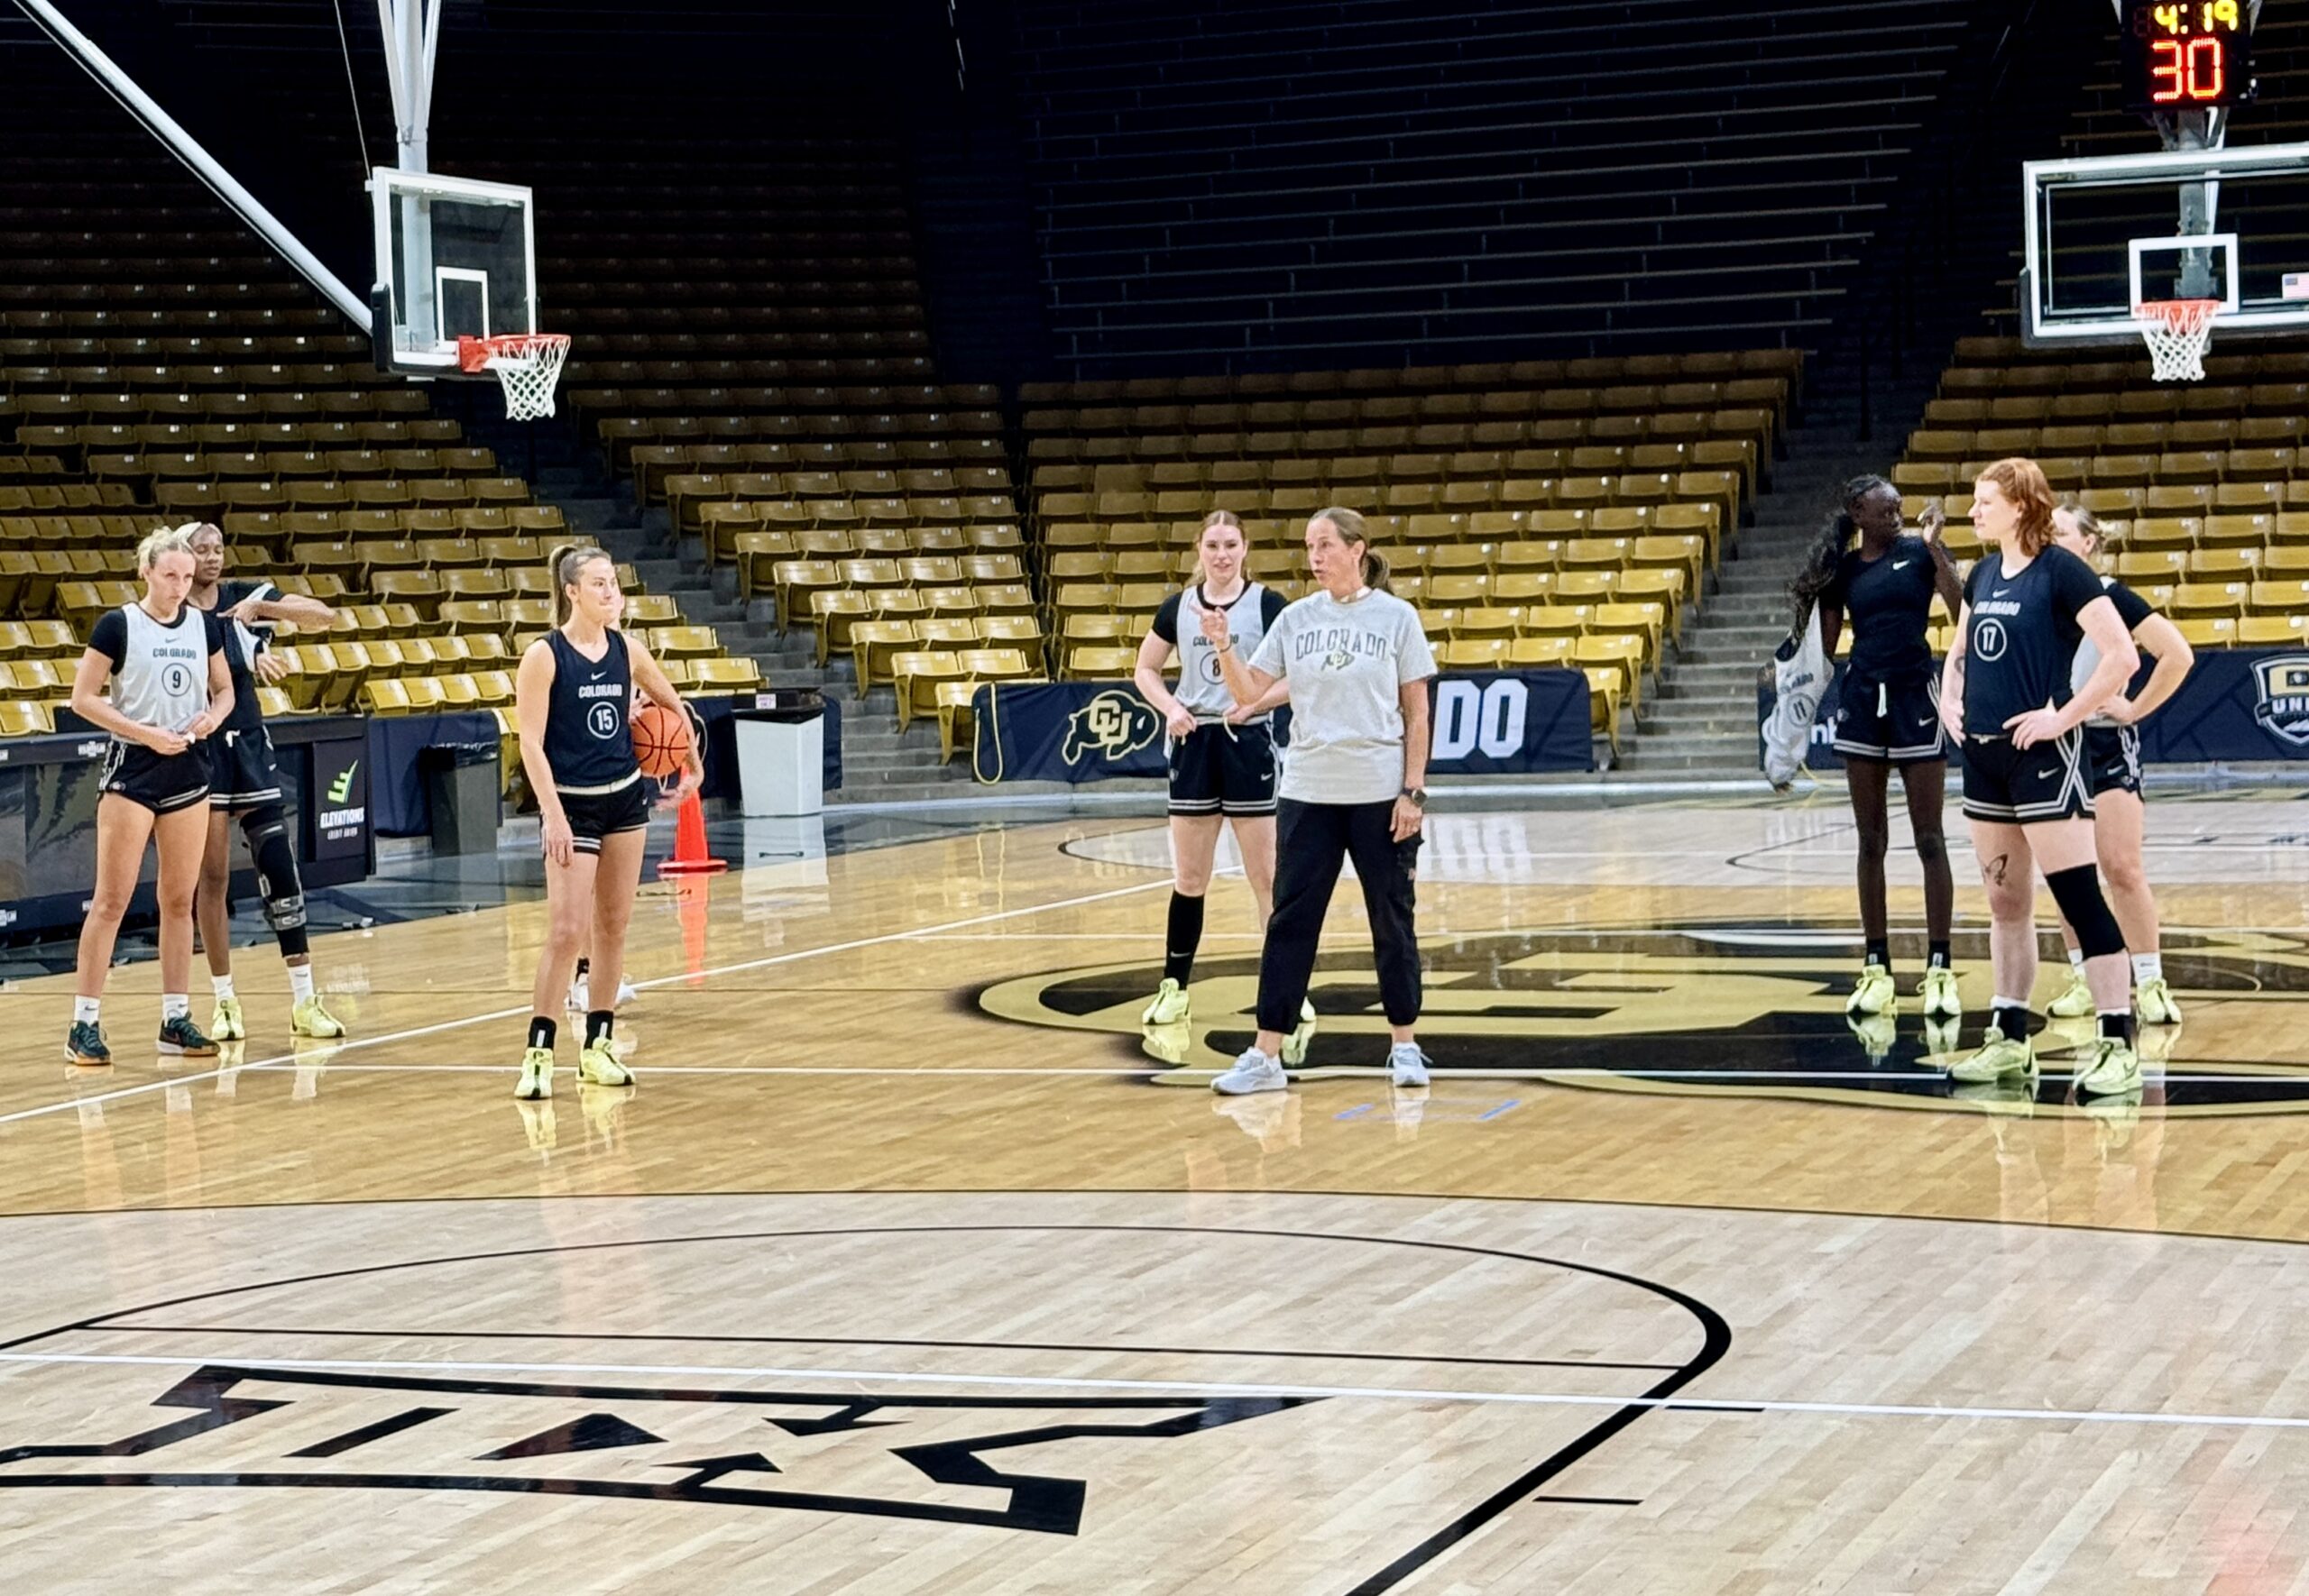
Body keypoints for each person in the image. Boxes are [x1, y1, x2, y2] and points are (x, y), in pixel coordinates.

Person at [1201, 507, 1435, 1096]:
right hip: (1308, 791)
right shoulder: (1298, 618)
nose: (1315, 556)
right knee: (1290, 922)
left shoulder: (1396, 618)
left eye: (1326, 545)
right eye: (1310, 546)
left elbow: (1417, 710)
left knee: (1392, 918)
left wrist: (1413, 790)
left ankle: (1404, 1046)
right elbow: (1251, 692)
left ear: (1357, 549)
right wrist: (1225, 647)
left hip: (1379, 793)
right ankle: (1265, 1055)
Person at [1936, 459, 2142, 1096]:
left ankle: (2118, 1040)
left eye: (1984, 502)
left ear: (2022, 506)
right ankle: (2009, 1039)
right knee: (2005, 902)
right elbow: (1960, 651)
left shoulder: (2062, 571)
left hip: (2044, 758)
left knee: (2079, 898)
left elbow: (2122, 656)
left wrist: (2063, 717)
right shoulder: (1983, 574)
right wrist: (1949, 700)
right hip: (1984, 758)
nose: (1973, 513)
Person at [512, 545, 703, 1101]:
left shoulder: (627, 650)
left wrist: (689, 762)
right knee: (567, 932)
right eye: (599, 584)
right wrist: (550, 813)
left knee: (614, 927)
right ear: (572, 591)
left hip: (624, 800)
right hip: (571, 803)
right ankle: (539, 1054)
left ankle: (598, 1046)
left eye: (613, 582)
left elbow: (671, 702)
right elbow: (529, 741)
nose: (611, 592)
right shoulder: (544, 656)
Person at [1131, 509, 1312, 1058]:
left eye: (1231, 544)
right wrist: (1169, 707)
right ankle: (1174, 988)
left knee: (1266, 875)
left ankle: (1287, 989)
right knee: (1190, 876)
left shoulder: (1269, 606)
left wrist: (1255, 701)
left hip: (1248, 742)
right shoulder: (1177, 607)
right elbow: (1144, 670)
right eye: (1213, 545)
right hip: (1194, 743)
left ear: (1246, 549)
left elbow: (1299, 674)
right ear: (1199, 550)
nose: (1222, 554)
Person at [1790, 475, 1964, 1023]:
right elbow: (1823, 647)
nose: (1897, 515)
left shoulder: (1921, 553)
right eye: (1887, 509)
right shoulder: (1841, 571)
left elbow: (1963, 612)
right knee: (1871, 841)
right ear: (1859, 511)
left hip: (1916, 693)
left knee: (1930, 838)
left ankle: (1939, 967)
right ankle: (1876, 966)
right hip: (1863, 697)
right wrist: (1791, 701)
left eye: (1900, 510)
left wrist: (1938, 549)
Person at [65, 525, 235, 1065]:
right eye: (170, 576)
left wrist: (214, 716)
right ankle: (83, 1025)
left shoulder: (203, 626)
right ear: (146, 572)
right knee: (112, 900)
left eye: (187, 577)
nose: (180, 585)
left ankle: (176, 1017)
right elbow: (82, 698)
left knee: (179, 900)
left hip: (188, 768)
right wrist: (144, 733)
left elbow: (225, 689)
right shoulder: (118, 625)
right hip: (134, 769)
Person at [184, 523, 346, 1043]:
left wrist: (265, 610)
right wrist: (246, 653)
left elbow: (324, 616)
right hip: (202, 743)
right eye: (200, 549)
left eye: (217, 548)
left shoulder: (241, 596)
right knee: (212, 879)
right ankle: (224, 999)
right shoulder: (174, 612)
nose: (211, 557)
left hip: (249, 739)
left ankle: (304, 999)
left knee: (279, 866)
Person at [2041, 503, 2194, 1026]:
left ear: (2088, 542)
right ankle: (2086, 979)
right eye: (2046, 533)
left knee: (2122, 867)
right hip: (2054, 744)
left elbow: (2177, 655)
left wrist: (2133, 708)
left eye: (2061, 532)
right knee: (2070, 874)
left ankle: (2150, 981)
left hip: (2105, 742)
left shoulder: (2110, 596)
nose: (2052, 540)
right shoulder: (2036, 594)